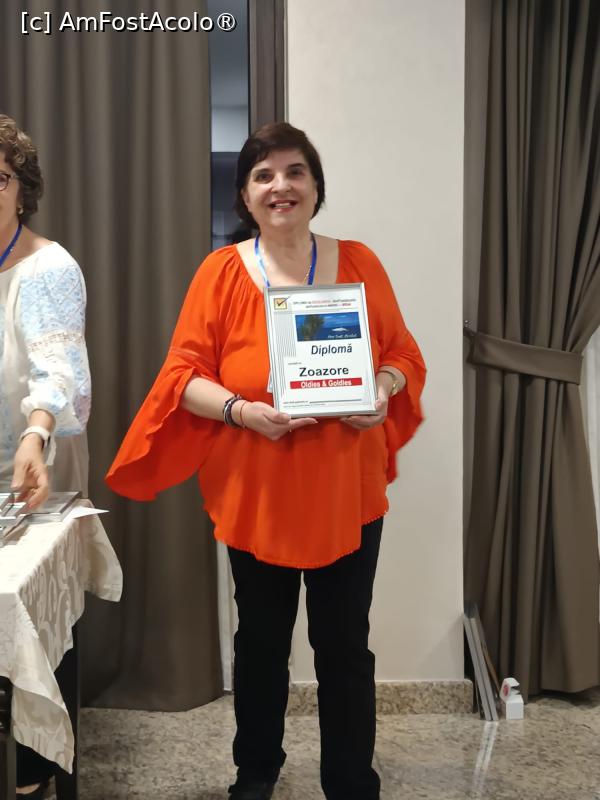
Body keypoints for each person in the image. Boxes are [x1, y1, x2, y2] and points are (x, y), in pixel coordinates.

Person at [106, 122, 426, 800]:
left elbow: (401, 353)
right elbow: (182, 376)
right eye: (263, 175)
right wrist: (240, 411)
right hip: (258, 492)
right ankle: (255, 773)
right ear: (246, 196)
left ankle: (351, 781)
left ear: (315, 185)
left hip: (346, 491)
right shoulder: (221, 272)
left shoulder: (360, 262)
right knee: (259, 645)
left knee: (345, 647)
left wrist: (382, 388)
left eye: (295, 171)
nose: (281, 185)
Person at [0, 114, 91, 798]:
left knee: (33, 616)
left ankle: (36, 769)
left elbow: (59, 370)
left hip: (35, 462)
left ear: (21, 189)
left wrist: (35, 435)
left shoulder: (47, 268)